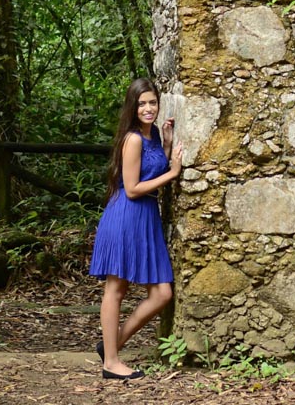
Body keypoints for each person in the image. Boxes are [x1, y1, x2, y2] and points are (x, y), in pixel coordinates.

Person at [89, 78, 182, 379]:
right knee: (116, 289)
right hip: (126, 216)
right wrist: (173, 173)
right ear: (132, 106)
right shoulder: (132, 139)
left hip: (145, 220)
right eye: (141, 103)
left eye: (152, 102)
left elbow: (149, 169)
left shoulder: (152, 133)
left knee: (162, 293)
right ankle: (111, 363)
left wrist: (166, 146)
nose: (148, 108)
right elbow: (132, 188)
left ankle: (111, 346)